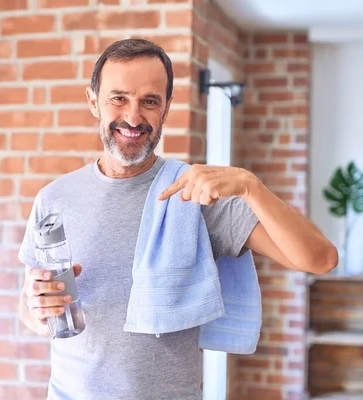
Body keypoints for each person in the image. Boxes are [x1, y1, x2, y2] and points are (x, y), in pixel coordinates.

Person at [18, 38, 337, 400]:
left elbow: (320, 259)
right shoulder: (55, 199)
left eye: (149, 101)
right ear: (94, 101)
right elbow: (31, 308)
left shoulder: (194, 195)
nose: (133, 117)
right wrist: (35, 308)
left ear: (167, 108)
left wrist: (251, 187)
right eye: (118, 98)